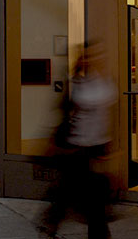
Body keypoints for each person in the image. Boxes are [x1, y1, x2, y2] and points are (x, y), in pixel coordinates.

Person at [41, 42, 117, 239]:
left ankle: (53, 222)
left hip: (96, 147)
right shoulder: (75, 83)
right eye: (89, 56)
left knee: (89, 200)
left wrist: (109, 149)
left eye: (98, 55)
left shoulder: (106, 82)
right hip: (75, 148)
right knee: (71, 194)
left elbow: (110, 118)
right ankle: (51, 222)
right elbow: (63, 112)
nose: (94, 59)